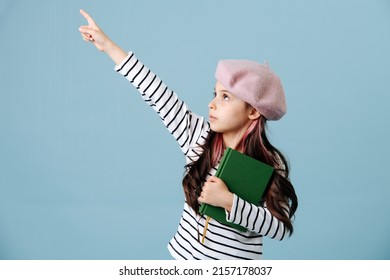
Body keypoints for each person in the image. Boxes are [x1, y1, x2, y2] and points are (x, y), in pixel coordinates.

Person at [79, 9, 298, 260]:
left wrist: (229, 202)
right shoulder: (198, 136)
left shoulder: (270, 163)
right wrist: (107, 45)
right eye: (214, 94)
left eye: (225, 97)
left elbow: (280, 228)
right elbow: (157, 92)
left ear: (252, 112)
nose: (212, 104)